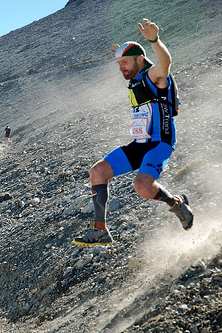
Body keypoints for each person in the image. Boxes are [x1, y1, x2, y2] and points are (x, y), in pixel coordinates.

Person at [73, 18, 194, 247]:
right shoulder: (137, 77)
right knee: (98, 171)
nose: (121, 68)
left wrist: (154, 40)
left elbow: (165, 62)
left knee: (142, 186)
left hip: (160, 143)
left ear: (140, 60)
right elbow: (139, 61)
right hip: (140, 143)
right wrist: (124, 52)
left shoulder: (155, 77)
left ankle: (177, 204)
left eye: (125, 62)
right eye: (119, 63)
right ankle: (100, 231)